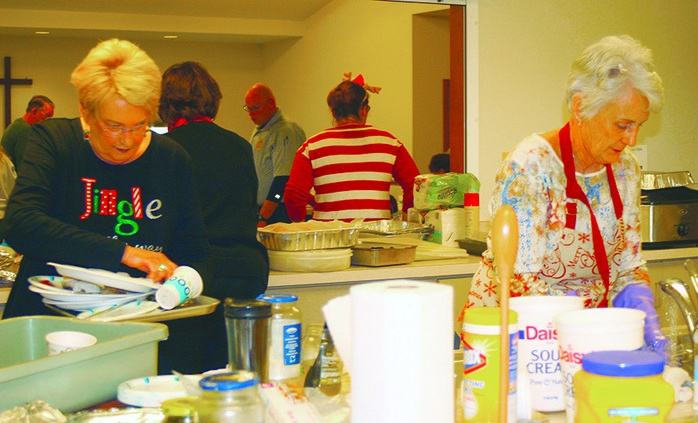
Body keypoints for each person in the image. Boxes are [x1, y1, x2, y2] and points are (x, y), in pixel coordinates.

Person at [0, 39, 215, 374]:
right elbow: (20, 223)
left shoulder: (172, 159)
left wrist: (183, 281)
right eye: (113, 126)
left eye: (139, 125)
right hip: (48, 331)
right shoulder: (54, 141)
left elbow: (195, 252)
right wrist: (124, 253)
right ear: (86, 112)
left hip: (134, 335)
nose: (126, 139)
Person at [459, 35, 667, 357]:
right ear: (580, 106)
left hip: (586, 335)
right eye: (623, 124)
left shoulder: (626, 170)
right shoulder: (530, 166)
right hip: (516, 335)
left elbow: (628, 263)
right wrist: (586, 334)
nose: (632, 138)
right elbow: (520, 279)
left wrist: (640, 312)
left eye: (639, 125)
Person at [159, 61, 270, 369]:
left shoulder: (163, 149)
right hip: (245, 273)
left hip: (192, 279)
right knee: (236, 373)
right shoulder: (239, 144)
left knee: (186, 377)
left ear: (165, 103)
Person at [284, 75, 420, 222]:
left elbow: (294, 194)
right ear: (363, 110)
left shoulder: (312, 146)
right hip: (376, 238)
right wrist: (406, 222)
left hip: (328, 240)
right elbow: (416, 186)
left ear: (334, 112)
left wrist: (300, 225)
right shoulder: (390, 143)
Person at [244, 83, 306, 226]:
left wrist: (264, 218)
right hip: (261, 209)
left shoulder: (286, 131)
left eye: (255, 108)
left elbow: (283, 181)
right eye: (248, 108)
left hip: (278, 210)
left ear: (270, 103)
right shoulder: (259, 130)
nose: (251, 113)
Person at [1, 95, 55, 167]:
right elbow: (24, 166)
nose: (48, 121)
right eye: (47, 116)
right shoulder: (25, 130)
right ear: (34, 112)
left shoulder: (18, 125)